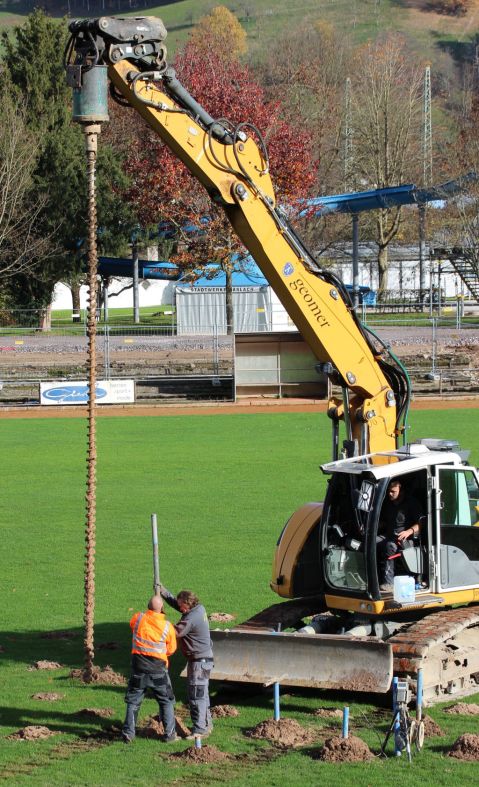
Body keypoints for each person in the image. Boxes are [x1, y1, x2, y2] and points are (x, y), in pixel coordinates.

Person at [122, 594, 177, 744]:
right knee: (166, 701)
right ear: (162, 609)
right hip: (158, 671)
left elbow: (132, 624)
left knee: (133, 701)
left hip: (138, 669)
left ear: (148, 606)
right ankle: (170, 734)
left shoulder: (138, 618)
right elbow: (171, 649)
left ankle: (128, 733)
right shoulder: (167, 626)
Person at [161, 586, 214, 739]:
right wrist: (164, 592)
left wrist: (159, 623)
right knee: (202, 695)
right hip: (203, 660)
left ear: (188, 603)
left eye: (181, 605)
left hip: (199, 663)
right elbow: (179, 606)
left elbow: (176, 632)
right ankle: (206, 725)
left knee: (196, 696)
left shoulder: (191, 618)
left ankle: (199, 730)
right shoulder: (198, 609)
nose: (180, 608)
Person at [377, 479, 422, 592]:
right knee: (370, 543)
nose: (389, 494)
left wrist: (409, 531)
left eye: (393, 491)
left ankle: (389, 583)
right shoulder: (388, 504)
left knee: (389, 546)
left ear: (401, 492)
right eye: (388, 491)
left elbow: (421, 523)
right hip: (388, 535)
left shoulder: (411, 503)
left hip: (407, 539)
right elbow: (385, 522)